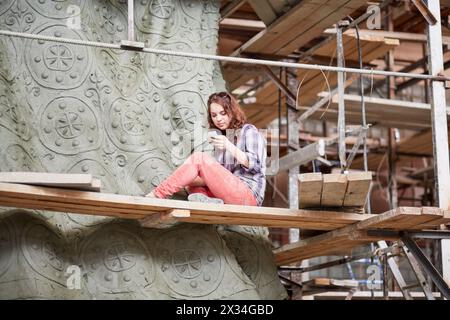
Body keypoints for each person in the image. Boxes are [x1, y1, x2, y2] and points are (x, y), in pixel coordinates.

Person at [145, 92, 267, 206]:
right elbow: (220, 178)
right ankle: (209, 202)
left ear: (233, 111)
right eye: (214, 115)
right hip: (230, 193)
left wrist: (229, 146)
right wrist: (184, 177)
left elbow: (255, 165)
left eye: (223, 113)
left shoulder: (249, 131)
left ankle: (157, 194)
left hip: (248, 196)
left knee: (200, 158)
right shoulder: (222, 140)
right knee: (192, 184)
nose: (218, 119)